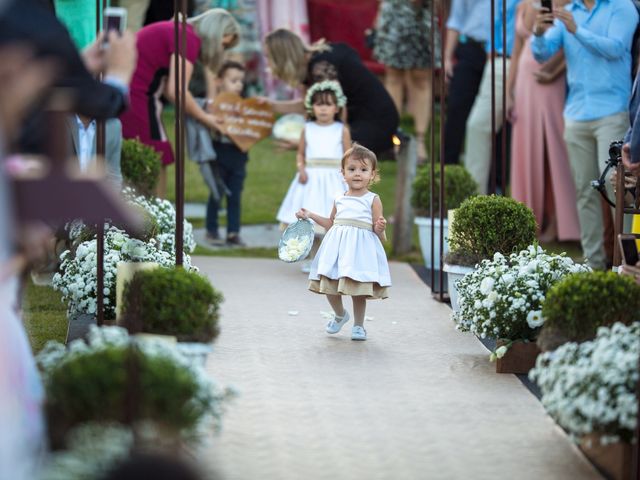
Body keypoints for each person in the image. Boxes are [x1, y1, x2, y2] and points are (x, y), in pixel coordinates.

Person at [532, 0, 638, 269]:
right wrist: (538, 33)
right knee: (584, 191)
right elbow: (543, 54)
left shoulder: (622, 7)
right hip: (576, 114)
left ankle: (625, 264)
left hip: (612, 112)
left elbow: (616, 48)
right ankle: (594, 263)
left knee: (618, 193)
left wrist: (576, 29)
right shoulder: (571, 11)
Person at [119, 8, 241, 198]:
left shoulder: (179, 30)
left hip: (130, 94)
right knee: (156, 157)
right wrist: (207, 119)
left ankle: (148, 214)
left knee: (150, 158)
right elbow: (176, 90)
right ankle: (155, 218)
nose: (221, 51)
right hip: (136, 98)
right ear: (215, 34)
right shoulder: (188, 38)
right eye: (223, 45)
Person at [295, 143, 391, 342]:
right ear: (343, 173)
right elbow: (331, 223)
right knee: (329, 284)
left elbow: (377, 230)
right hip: (337, 249)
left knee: (358, 290)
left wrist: (380, 228)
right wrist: (310, 215)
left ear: (372, 174)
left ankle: (359, 325)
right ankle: (340, 314)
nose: (357, 174)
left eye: (364, 170)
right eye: (352, 169)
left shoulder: (373, 199)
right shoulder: (339, 198)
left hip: (360, 250)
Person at [507, 0, 579, 242]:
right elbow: (517, 51)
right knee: (526, 151)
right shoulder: (522, 5)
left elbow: (574, 46)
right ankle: (528, 221)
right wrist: (508, 91)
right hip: (524, 83)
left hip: (550, 82)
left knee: (554, 152)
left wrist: (554, 71)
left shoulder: (567, 4)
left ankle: (561, 223)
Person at [263, 28, 398, 157]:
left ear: (281, 57)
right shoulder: (315, 61)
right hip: (368, 118)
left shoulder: (321, 67)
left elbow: (336, 109)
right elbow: (308, 105)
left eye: (269, 57)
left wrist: (309, 142)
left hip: (374, 122)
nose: (268, 63)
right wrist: (269, 105)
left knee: (326, 154)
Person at [276, 80, 350, 272]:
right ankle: (312, 257)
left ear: (336, 107)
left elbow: (347, 155)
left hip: (334, 178)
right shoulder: (307, 128)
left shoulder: (341, 130)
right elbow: (301, 153)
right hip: (311, 179)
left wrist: (347, 177)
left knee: (331, 219)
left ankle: (329, 259)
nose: (323, 109)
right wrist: (301, 168)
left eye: (328, 104)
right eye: (319, 104)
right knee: (311, 218)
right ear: (312, 107)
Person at [464, 0, 522, 194]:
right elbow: (497, 21)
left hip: (524, 62)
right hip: (499, 61)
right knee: (478, 126)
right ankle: (474, 203)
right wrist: (492, 54)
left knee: (526, 137)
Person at [373, 0, 440, 163]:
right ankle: (392, 136)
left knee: (421, 79)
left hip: (421, 15)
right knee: (393, 77)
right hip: (394, 13)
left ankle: (419, 140)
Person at [204, 60, 250, 247]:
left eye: (241, 81)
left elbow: (253, 129)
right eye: (233, 80)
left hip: (239, 155)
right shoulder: (214, 105)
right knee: (217, 192)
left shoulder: (246, 106)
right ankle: (212, 229)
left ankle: (233, 232)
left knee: (235, 194)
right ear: (220, 81)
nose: (239, 84)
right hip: (218, 153)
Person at [442, 0, 490, 165]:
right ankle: (448, 168)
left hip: (501, 53)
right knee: (456, 108)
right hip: (471, 48)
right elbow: (456, 20)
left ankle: (496, 179)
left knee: (498, 114)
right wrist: (447, 57)